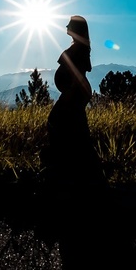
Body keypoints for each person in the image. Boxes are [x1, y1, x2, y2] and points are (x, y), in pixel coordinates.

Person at [42, 15, 105, 190]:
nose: (66, 26)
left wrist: (70, 92)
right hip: (75, 93)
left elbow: (79, 74)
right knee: (74, 129)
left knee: (57, 122)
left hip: (74, 93)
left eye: (69, 24)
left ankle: (71, 168)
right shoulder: (78, 47)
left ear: (76, 28)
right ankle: (78, 168)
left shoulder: (80, 49)